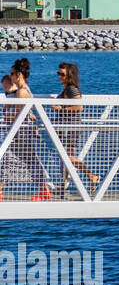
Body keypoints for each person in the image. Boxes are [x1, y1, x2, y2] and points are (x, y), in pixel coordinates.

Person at [5, 59, 54, 201]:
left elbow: (19, 113)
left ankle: (44, 190)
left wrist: (7, 117)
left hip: (21, 131)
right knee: (29, 160)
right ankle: (44, 190)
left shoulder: (21, 91)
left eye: (12, 73)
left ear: (19, 74)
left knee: (8, 158)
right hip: (23, 130)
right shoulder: (25, 89)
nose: (10, 76)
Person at [53, 62, 98, 193]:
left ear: (69, 76)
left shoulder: (72, 89)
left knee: (67, 157)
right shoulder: (66, 89)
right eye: (58, 73)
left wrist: (61, 108)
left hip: (71, 127)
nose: (59, 76)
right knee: (66, 157)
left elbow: (79, 107)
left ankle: (91, 176)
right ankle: (64, 184)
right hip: (67, 127)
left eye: (62, 74)